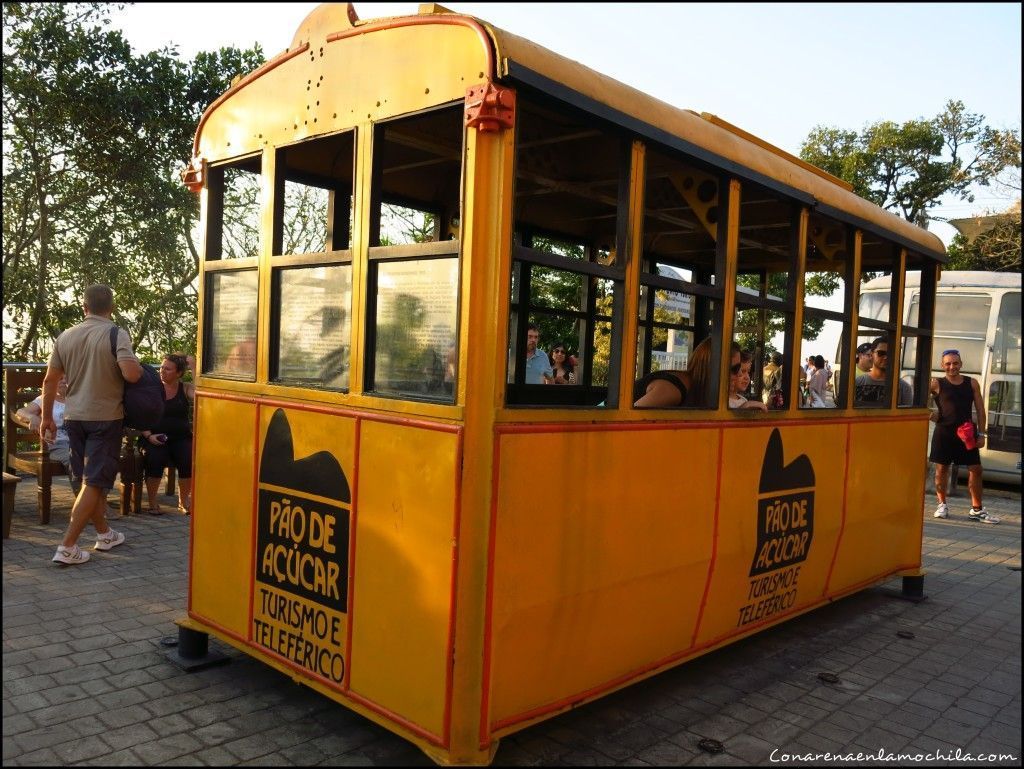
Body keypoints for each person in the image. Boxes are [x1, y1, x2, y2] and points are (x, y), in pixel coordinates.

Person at [41, 284, 142, 565]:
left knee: (88, 481)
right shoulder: (115, 333)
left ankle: (104, 534)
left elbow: (50, 380)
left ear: (84, 307)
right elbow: (132, 374)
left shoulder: (66, 336)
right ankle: (67, 547)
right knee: (95, 482)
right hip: (105, 418)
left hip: (73, 418)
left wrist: (48, 417)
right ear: (111, 308)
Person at [929, 349, 998, 524]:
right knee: (942, 469)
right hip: (944, 434)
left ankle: (977, 509)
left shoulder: (971, 383)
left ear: (961, 364)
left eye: (955, 363)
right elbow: (919, 402)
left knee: (976, 469)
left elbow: (981, 410)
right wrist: (932, 415)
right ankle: (941, 504)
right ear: (942, 365)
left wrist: (982, 434)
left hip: (967, 433)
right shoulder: (936, 383)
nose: (952, 367)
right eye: (948, 364)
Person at [138, 354, 195, 515]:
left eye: (167, 369)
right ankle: (152, 501)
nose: (162, 371)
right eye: (162, 367)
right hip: (153, 437)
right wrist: (149, 436)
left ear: (179, 373)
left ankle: (183, 501)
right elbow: (140, 415)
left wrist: (194, 367)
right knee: (156, 458)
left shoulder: (185, 388)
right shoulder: (152, 389)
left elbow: (202, 396)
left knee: (187, 459)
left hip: (180, 437)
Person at [854, 338, 913, 407]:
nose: (886, 357)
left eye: (890, 354)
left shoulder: (904, 388)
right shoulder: (857, 383)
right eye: (881, 353)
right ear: (872, 355)